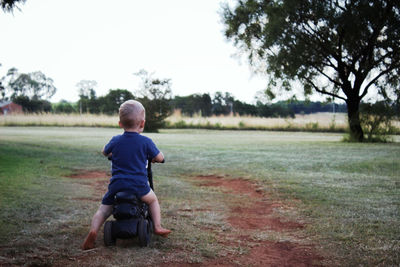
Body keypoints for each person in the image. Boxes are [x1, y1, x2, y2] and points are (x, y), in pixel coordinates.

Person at [81, 100, 171, 250]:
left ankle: (93, 230)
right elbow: (160, 157)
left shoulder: (116, 140)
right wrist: (157, 157)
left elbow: (104, 151)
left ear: (120, 123)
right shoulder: (146, 142)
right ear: (142, 124)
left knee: (103, 210)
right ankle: (157, 226)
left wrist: (112, 152)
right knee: (153, 200)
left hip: (117, 185)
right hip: (139, 186)